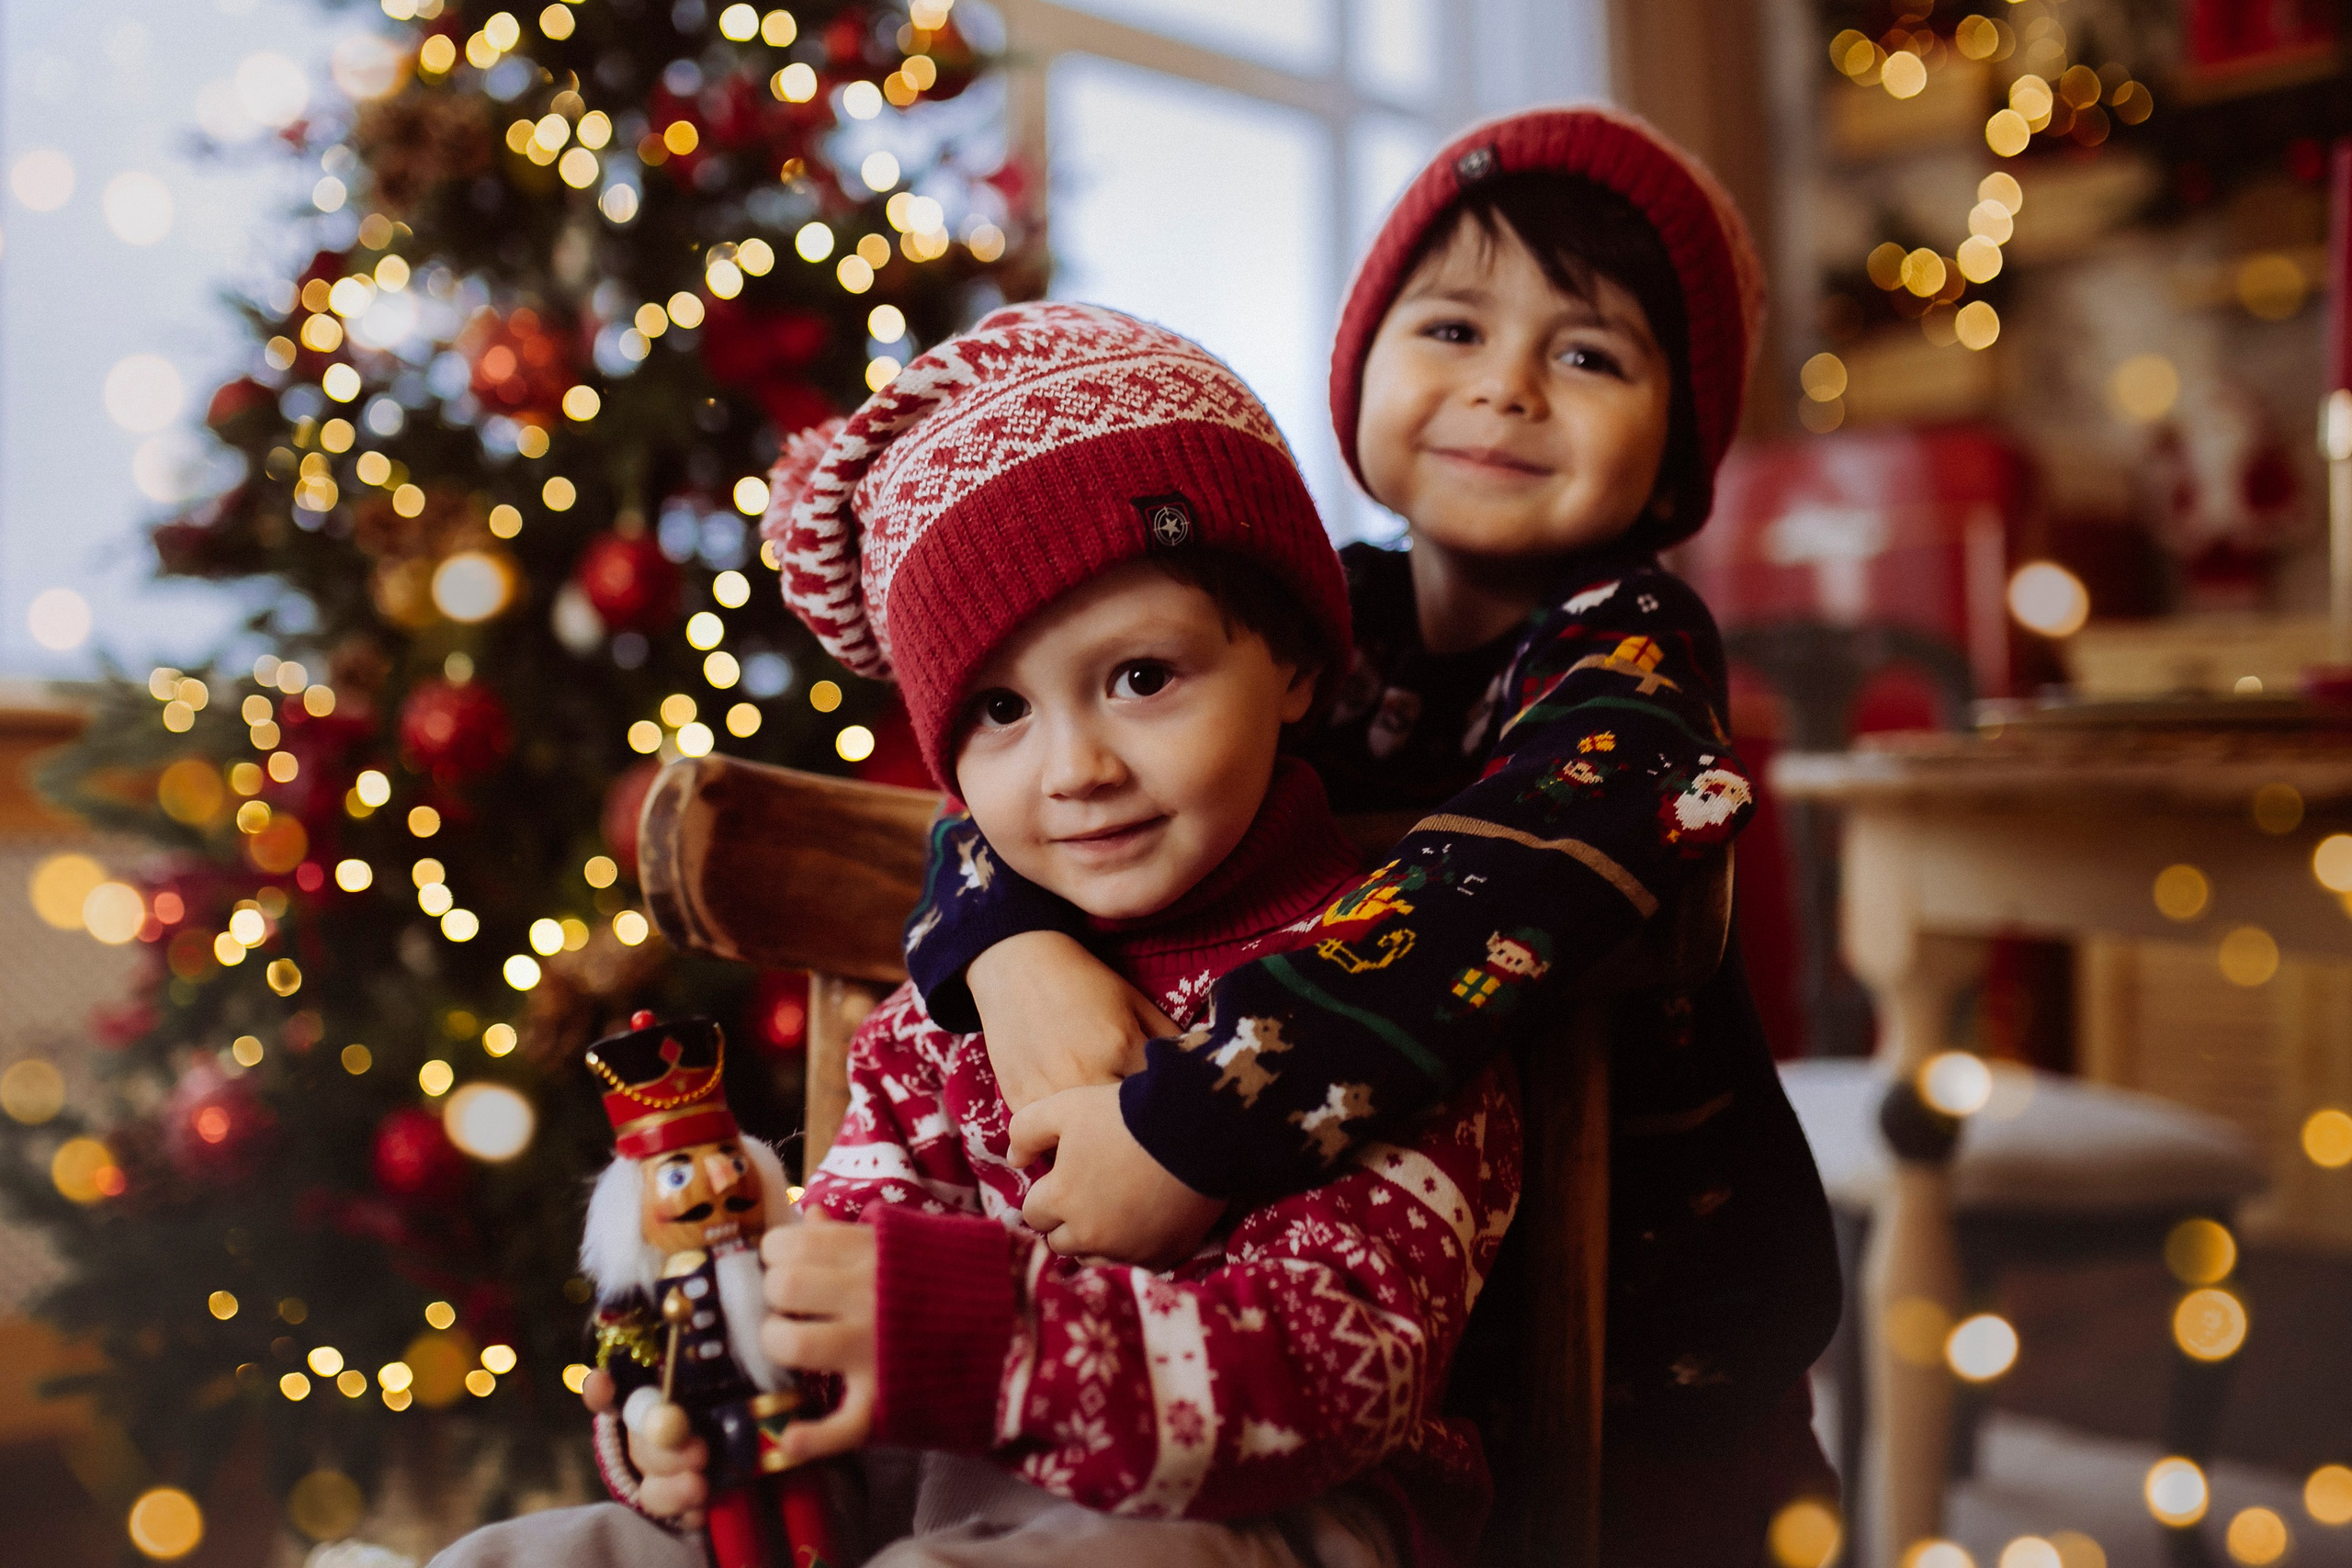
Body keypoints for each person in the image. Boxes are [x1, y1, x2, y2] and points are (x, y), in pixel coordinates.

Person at [897, 108, 1844, 1565]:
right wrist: (1009, 945)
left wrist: (1202, 1118)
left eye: (1587, 354)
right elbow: (1004, 773)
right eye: (1453, 328)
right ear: (1360, 375)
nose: (1507, 390)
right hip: (1356, 1309)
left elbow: (1519, 866)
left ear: (1674, 451)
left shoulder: (1636, 653)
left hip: (1639, 1353)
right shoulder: (1299, 621)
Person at [440, 301, 1519, 1568]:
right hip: (928, 1494)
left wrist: (982, 1334)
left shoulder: (1386, 997)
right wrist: (700, 1411)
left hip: (1266, 1524)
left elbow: (1337, 1380)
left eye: (1141, 677)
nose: (1076, 768)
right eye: (1000, 708)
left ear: (1290, 661)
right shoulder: (939, 1032)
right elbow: (836, 1279)